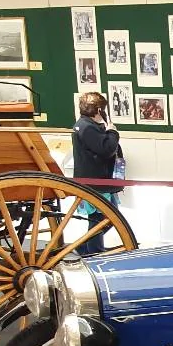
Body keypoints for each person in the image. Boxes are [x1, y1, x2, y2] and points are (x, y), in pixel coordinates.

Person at [72, 92, 122, 255]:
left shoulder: (84, 125)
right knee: (102, 218)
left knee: (105, 218)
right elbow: (106, 149)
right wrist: (112, 132)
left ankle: (84, 247)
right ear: (99, 109)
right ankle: (92, 250)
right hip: (95, 181)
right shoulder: (87, 127)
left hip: (94, 179)